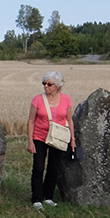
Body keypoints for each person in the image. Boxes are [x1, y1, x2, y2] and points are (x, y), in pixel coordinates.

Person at [26, 71, 76, 210]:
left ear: (58, 86)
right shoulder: (37, 99)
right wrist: (30, 141)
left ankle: (48, 197)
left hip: (58, 138)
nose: (46, 86)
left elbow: (70, 120)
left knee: (53, 168)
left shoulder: (66, 100)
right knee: (38, 167)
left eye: (49, 84)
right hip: (39, 137)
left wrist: (72, 139)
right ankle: (36, 198)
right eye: (44, 83)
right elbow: (31, 121)